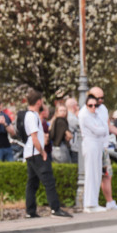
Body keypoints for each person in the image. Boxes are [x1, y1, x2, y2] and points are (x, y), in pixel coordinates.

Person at [21, 88, 71, 220]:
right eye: (42, 101)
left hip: (31, 153)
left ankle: (30, 211)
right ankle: (55, 209)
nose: (43, 104)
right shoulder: (32, 116)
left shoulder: (31, 115)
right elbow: (34, 137)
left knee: (32, 182)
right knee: (49, 180)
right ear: (38, 102)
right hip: (36, 153)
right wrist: (42, 152)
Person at [86, 86, 117, 210]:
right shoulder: (88, 110)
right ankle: (92, 204)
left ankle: (109, 202)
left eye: (102, 98)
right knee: (94, 175)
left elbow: (108, 126)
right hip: (94, 146)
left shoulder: (103, 109)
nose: (100, 100)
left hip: (103, 146)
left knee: (107, 174)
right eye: (97, 98)